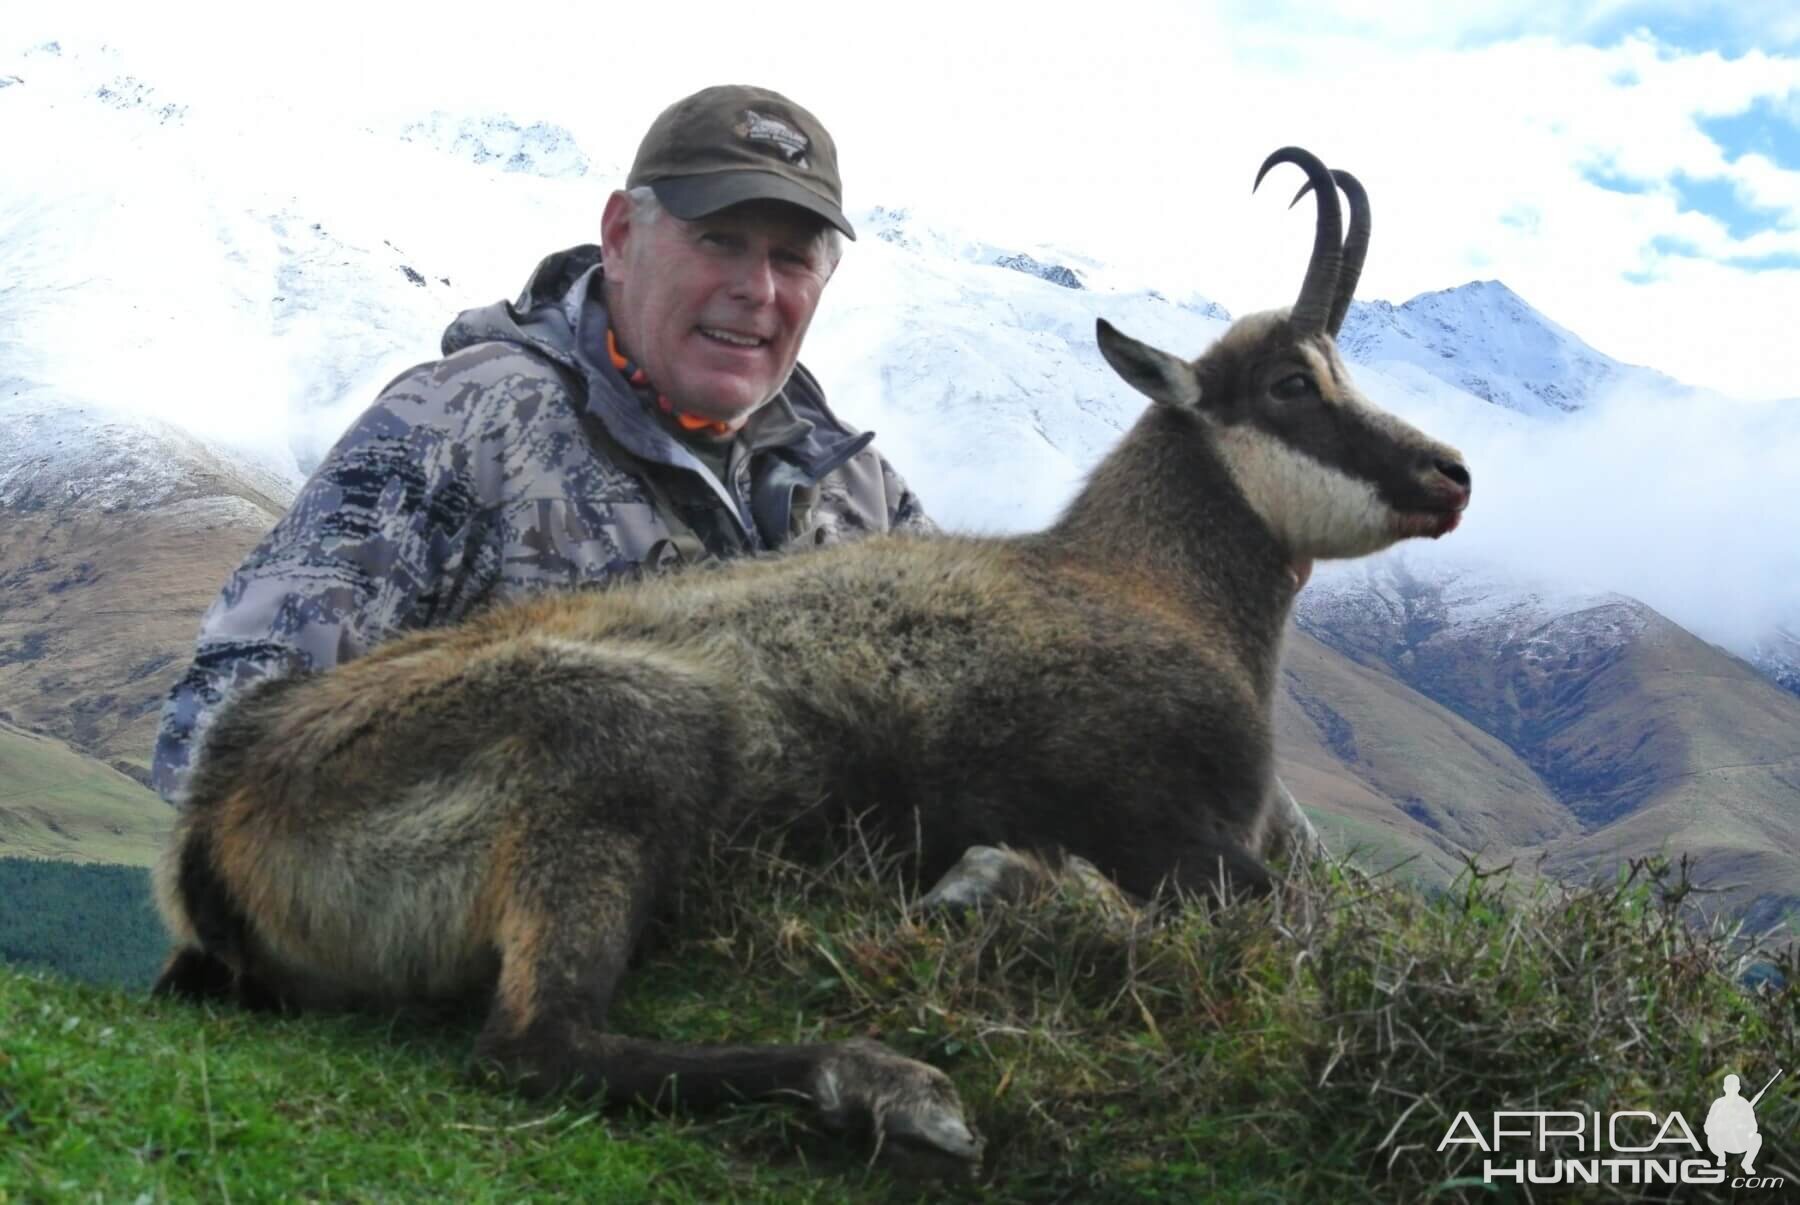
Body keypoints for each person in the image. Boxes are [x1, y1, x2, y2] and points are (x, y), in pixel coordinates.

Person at [152, 85, 933, 806]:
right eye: (721, 240)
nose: (758, 289)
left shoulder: (861, 492)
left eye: (792, 257)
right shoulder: (460, 423)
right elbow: (221, 741)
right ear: (623, 236)